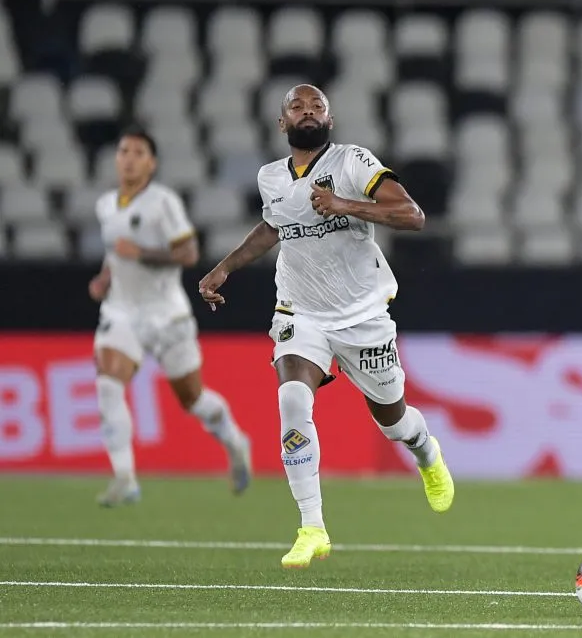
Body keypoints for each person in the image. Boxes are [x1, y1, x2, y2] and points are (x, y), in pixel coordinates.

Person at [198, 84, 455, 570]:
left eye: (317, 106)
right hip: (300, 312)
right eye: (298, 106)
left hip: (362, 316)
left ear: (330, 120)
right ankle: (312, 527)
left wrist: (347, 206)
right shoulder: (270, 176)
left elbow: (413, 216)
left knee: (395, 423)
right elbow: (274, 227)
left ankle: (427, 453)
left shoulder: (353, 162)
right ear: (282, 123)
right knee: (292, 398)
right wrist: (225, 267)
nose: (308, 111)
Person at [89, 125, 251, 507]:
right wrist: (105, 276)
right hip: (121, 312)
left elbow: (189, 254)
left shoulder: (163, 202)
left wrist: (141, 254)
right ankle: (125, 476)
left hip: (167, 315)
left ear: (152, 163)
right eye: (123, 151)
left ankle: (235, 441)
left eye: (138, 152)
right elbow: (116, 250)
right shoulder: (106, 205)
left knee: (192, 399)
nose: (128, 158)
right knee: (108, 386)